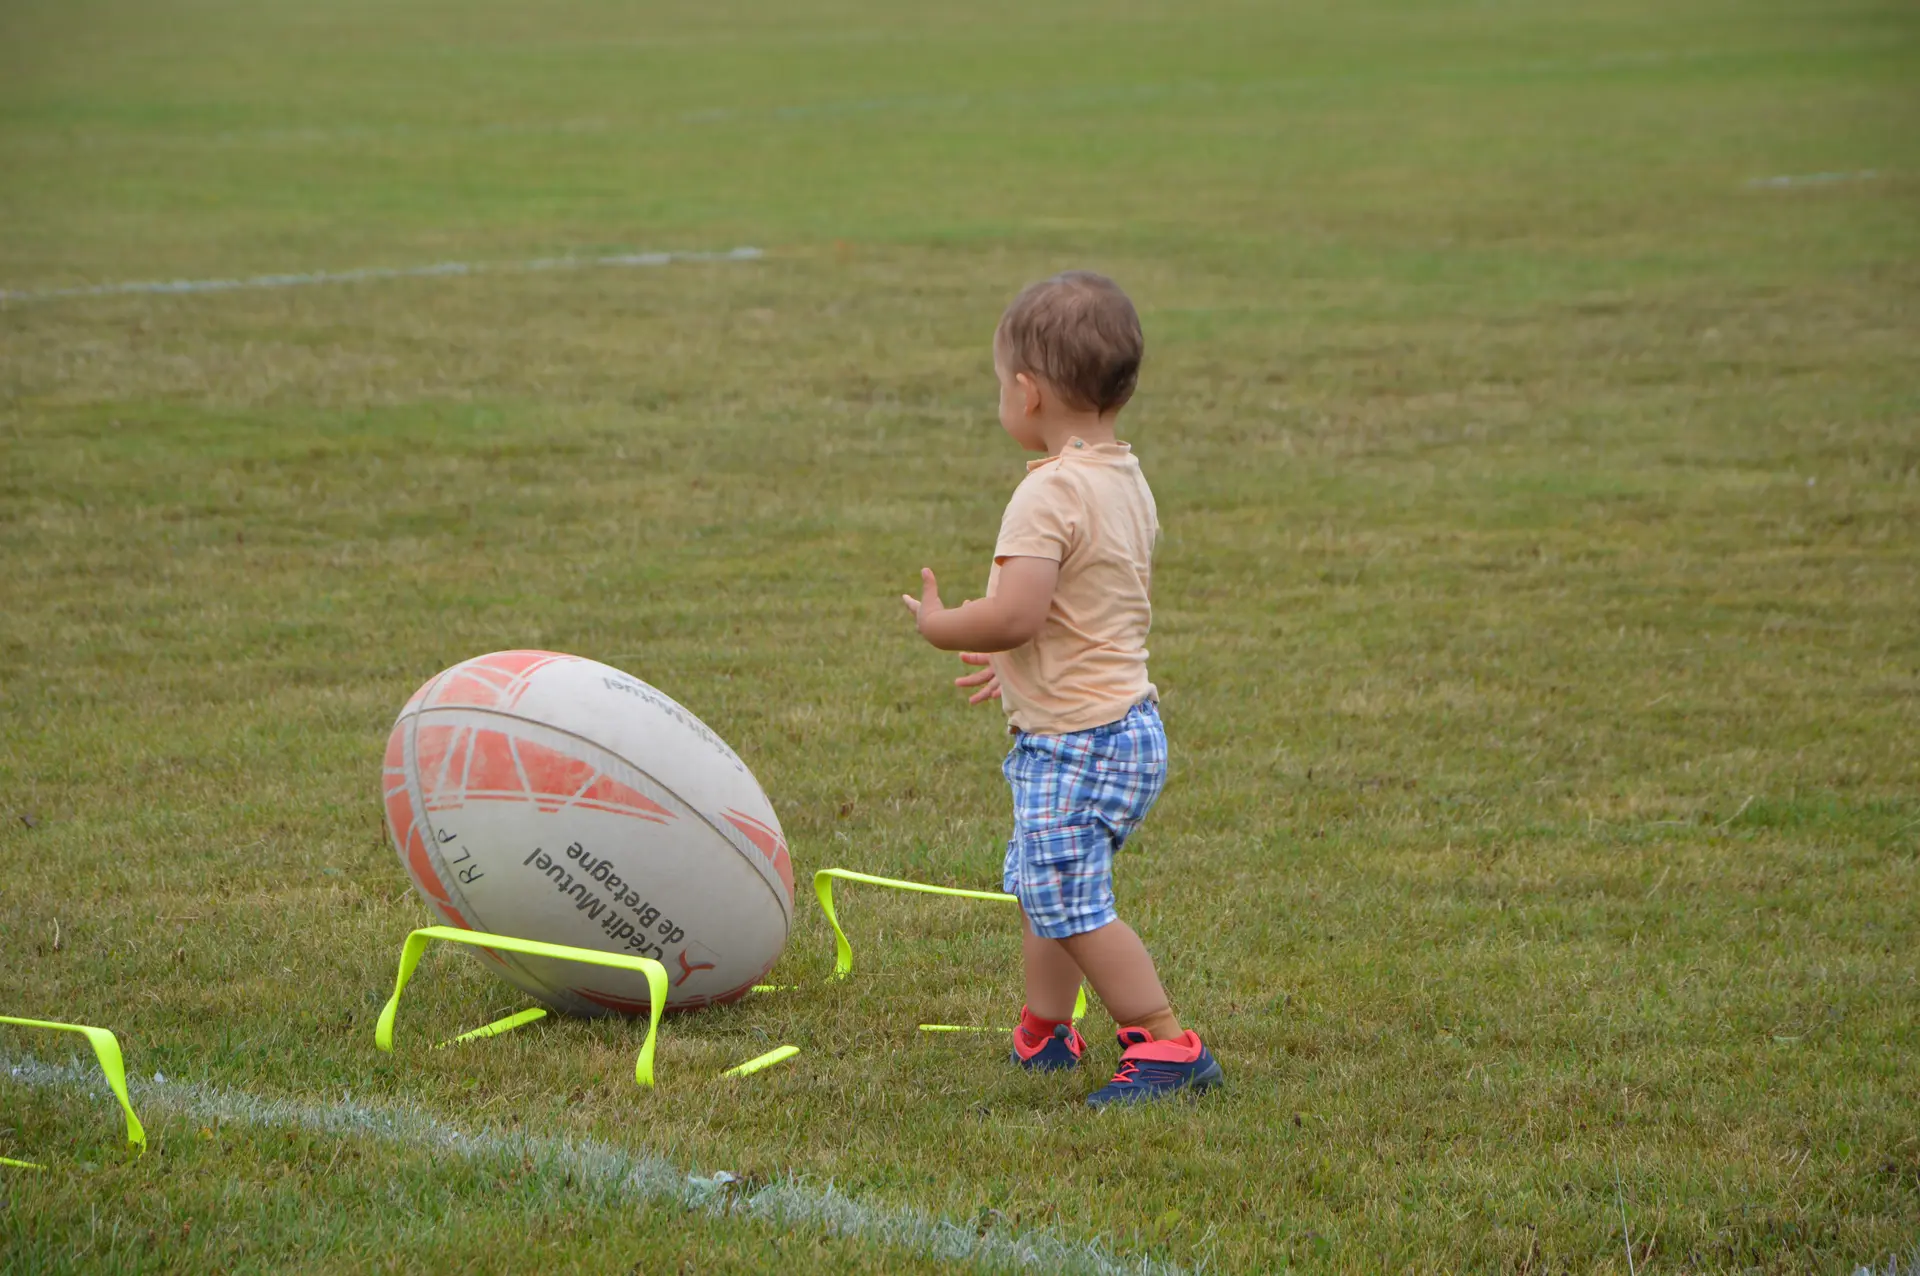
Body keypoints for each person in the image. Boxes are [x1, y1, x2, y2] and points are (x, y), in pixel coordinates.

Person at [900, 271, 1222, 1106]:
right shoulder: (1123, 477)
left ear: (1028, 392)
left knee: (1071, 902)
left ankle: (1165, 1043)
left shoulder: (1047, 491)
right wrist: (1017, 666)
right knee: (1043, 888)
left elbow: (1017, 613)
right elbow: (1087, 605)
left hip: (1080, 742)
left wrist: (944, 625)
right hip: (1119, 728)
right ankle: (1045, 1029)